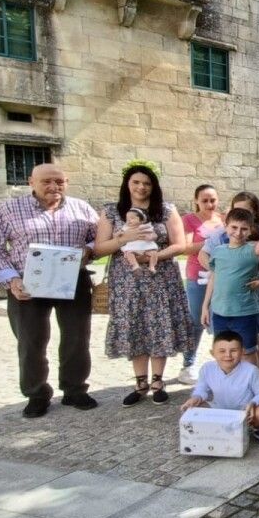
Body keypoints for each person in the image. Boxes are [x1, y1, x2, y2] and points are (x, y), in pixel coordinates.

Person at [0, 163, 100, 418]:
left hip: (73, 279)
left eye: (59, 181)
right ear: (31, 182)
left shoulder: (81, 208)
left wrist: (89, 249)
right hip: (27, 282)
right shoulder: (10, 209)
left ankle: (74, 389)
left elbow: (99, 237)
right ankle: (37, 394)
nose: (53, 187)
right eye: (46, 181)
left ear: (67, 182)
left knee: (77, 337)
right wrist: (11, 280)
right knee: (31, 341)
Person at [95, 164, 194, 406]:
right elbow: (98, 249)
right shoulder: (112, 212)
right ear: (127, 184)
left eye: (147, 183)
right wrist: (123, 239)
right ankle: (140, 382)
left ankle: (158, 381)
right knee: (135, 324)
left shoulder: (166, 210)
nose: (141, 187)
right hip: (128, 281)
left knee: (159, 324)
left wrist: (155, 256)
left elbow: (179, 244)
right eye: (136, 182)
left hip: (160, 277)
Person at [199, 192, 259, 369]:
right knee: (223, 350)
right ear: (226, 227)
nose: (238, 232)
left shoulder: (253, 247)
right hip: (220, 311)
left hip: (244, 311)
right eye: (233, 228)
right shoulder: (219, 250)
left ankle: (253, 385)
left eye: (244, 229)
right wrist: (205, 306)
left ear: (251, 227)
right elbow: (214, 277)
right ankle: (229, 385)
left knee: (248, 351)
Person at [180, 330, 259, 447]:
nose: (228, 355)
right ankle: (212, 431)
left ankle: (258, 428)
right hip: (218, 412)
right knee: (194, 407)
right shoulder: (207, 368)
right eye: (222, 351)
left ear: (242, 352)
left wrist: (253, 402)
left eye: (234, 351)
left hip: (245, 413)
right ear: (212, 353)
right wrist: (196, 397)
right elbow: (201, 389)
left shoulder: (251, 370)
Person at [179, 184, 224, 384]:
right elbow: (185, 247)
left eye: (212, 200)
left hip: (221, 277)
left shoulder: (223, 220)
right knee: (196, 320)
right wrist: (212, 241)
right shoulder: (189, 220)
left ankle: (222, 363)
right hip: (197, 276)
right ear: (196, 200)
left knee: (220, 321)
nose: (209, 204)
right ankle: (188, 364)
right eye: (204, 200)